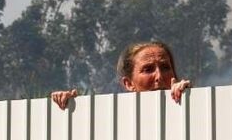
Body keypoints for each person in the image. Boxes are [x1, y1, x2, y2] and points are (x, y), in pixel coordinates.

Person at [51, 41, 191, 110]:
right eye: (148, 69)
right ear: (129, 83)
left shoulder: (193, 105)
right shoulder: (113, 115)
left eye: (165, 67)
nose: (159, 76)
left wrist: (190, 97)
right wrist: (69, 106)